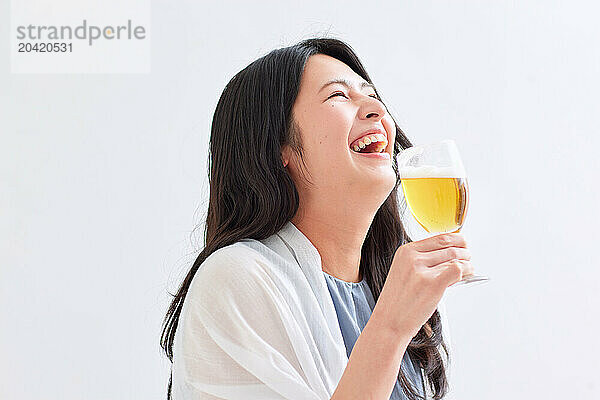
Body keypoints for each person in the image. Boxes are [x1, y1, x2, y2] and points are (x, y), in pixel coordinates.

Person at [160, 37, 474, 400]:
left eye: (371, 94)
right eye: (339, 96)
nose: (376, 108)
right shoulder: (236, 278)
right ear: (278, 148)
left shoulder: (397, 282)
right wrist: (390, 327)